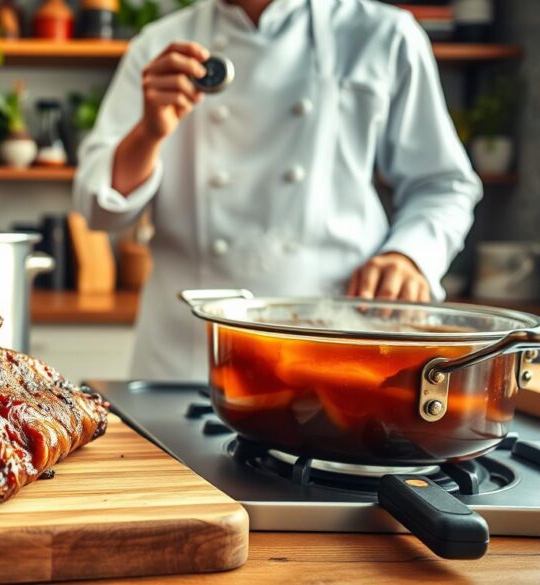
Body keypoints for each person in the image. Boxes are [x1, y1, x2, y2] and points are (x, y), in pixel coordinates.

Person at [73, 0, 482, 381]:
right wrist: (148, 133)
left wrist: (409, 255)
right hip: (186, 363)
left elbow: (443, 184)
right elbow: (98, 209)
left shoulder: (384, 35)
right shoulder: (159, 45)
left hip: (336, 357)